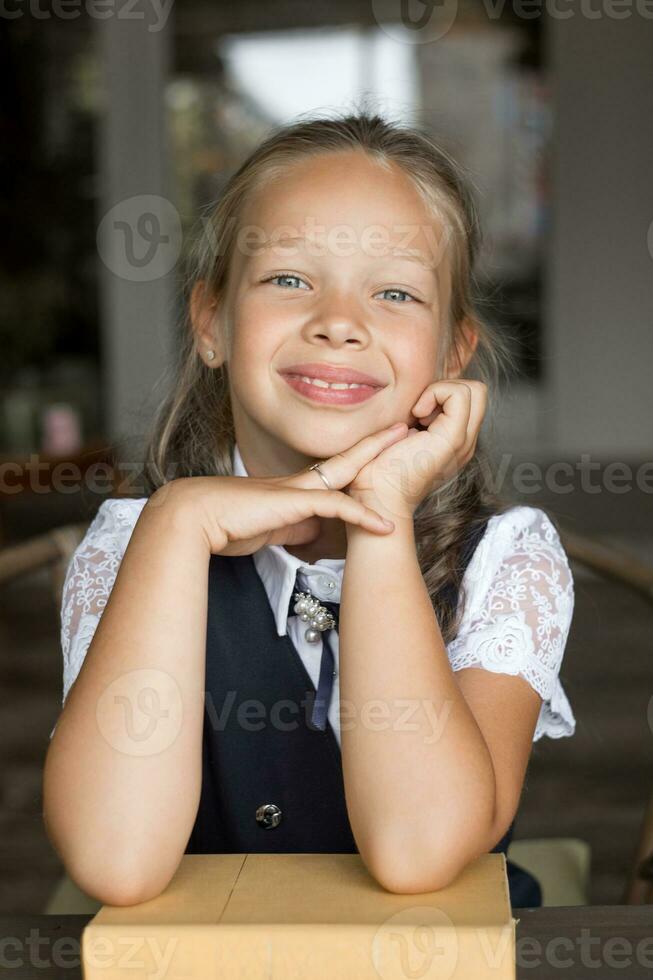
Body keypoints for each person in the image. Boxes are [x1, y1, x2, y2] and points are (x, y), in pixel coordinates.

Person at [43, 109, 575, 910]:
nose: (337, 322)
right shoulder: (134, 542)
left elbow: (418, 849)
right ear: (211, 323)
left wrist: (383, 515)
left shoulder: (507, 560)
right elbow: (117, 861)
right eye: (289, 278)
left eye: (394, 292)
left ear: (451, 353)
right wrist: (178, 523)